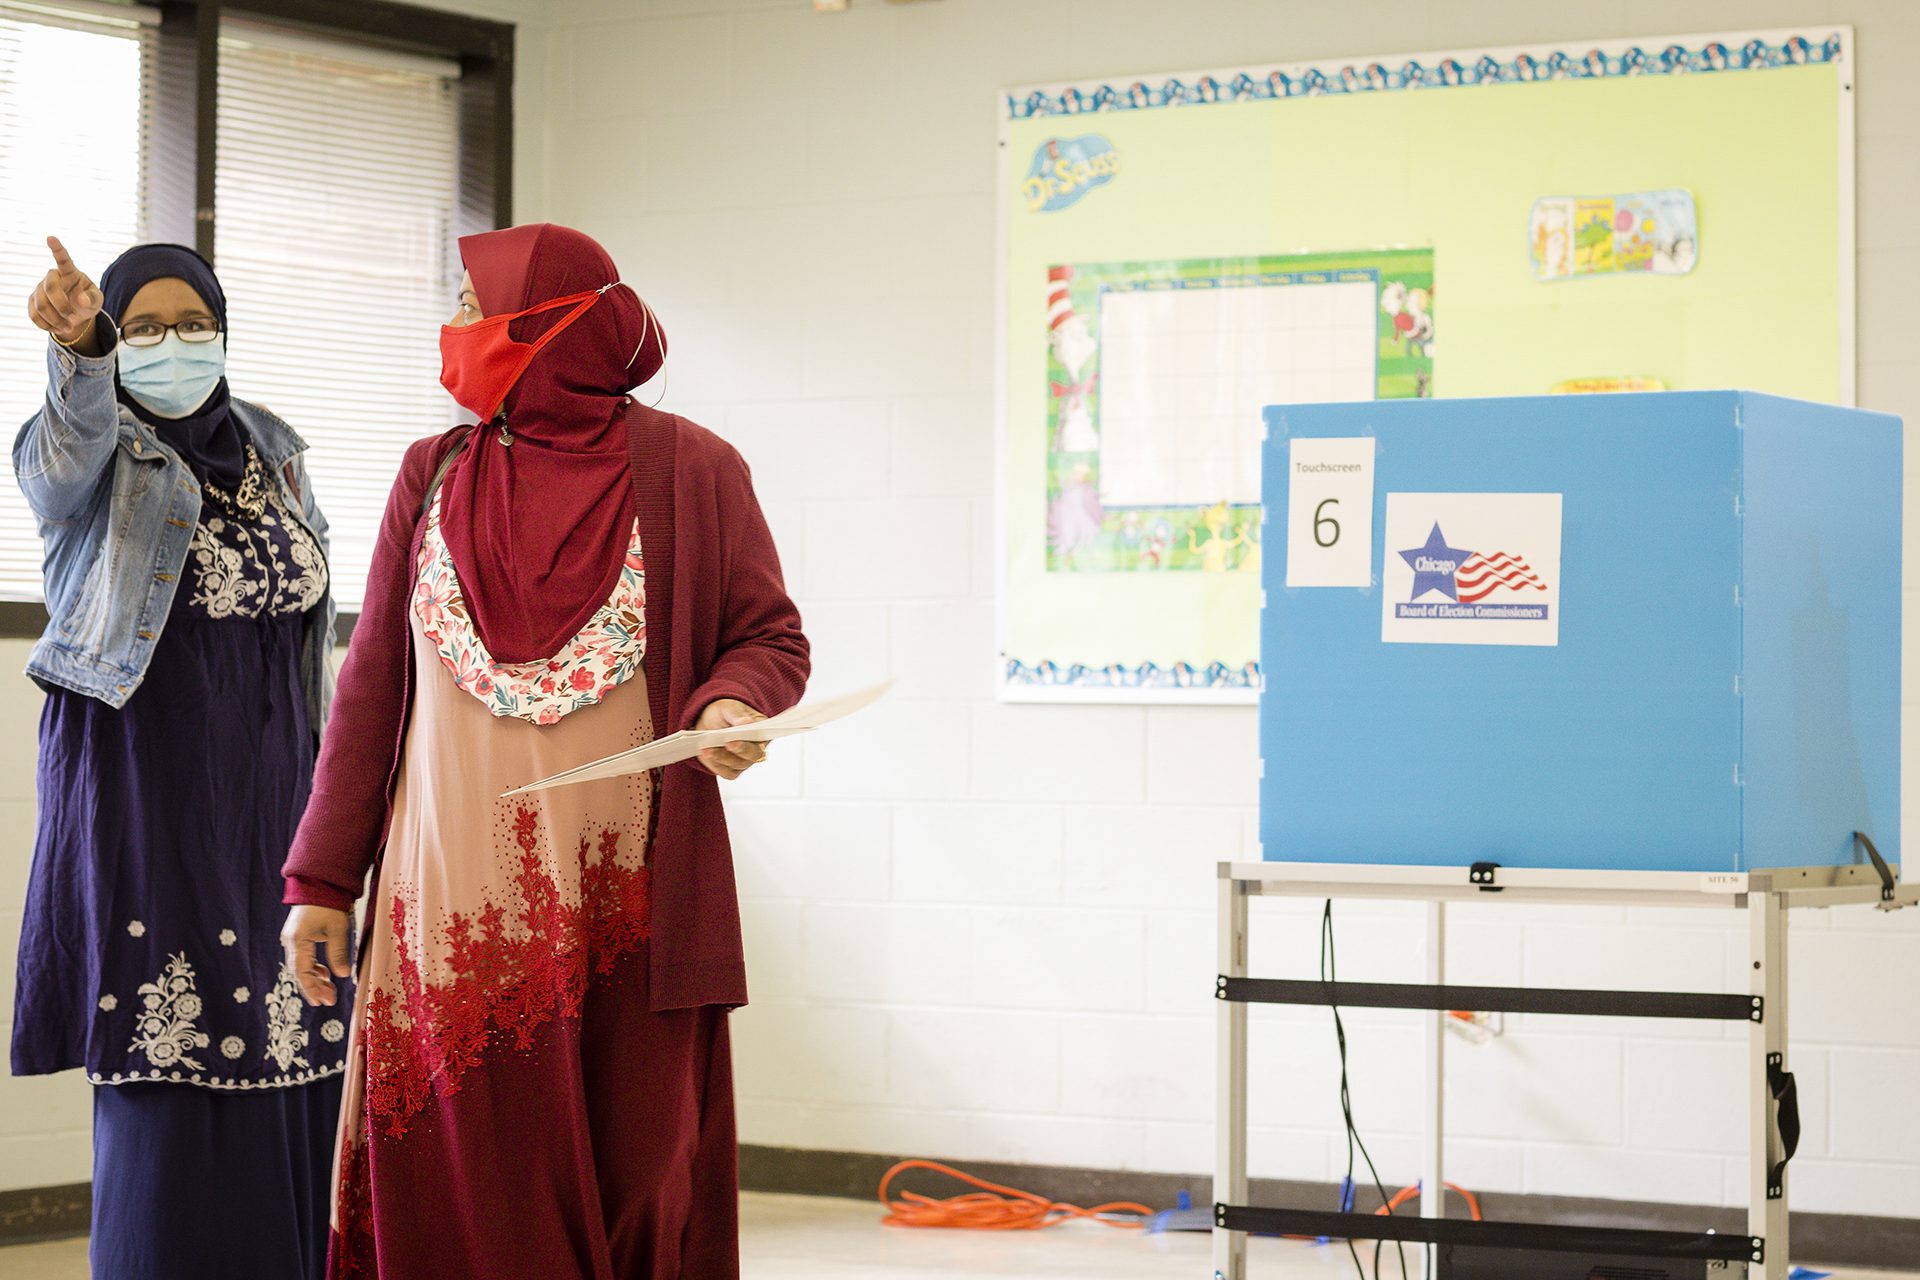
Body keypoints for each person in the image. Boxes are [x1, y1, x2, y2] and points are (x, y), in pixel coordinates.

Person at [280, 222, 809, 1279]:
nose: (456, 328)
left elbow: (769, 636)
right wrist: (322, 881)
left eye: (475, 308)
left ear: (546, 327)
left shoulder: (693, 468)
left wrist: (725, 705)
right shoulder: (430, 475)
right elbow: (370, 687)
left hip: (631, 910)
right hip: (447, 917)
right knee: (461, 1190)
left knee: (635, 1186)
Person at [10, 237, 342, 1279]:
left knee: (299, 1044)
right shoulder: (93, 456)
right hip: (145, 793)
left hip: (280, 793)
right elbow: (60, 456)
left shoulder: (275, 447)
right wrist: (81, 352)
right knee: (169, 1055)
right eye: (143, 325)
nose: (173, 344)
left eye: (193, 323)